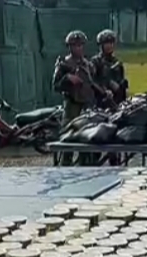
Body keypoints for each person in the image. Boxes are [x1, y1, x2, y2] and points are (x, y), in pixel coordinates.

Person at [52, 30, 98, 165]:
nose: (78, 48)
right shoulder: (64, 64)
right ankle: (66, 167)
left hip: (87, 105)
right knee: (68, 139)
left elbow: (93, 83)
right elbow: (55, 86)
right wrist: (67, 78)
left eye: (80, 45)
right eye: (75, 46)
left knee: (87, 139)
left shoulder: (88, 65)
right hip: (72, 105)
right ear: (69, 47)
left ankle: (85, 165)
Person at [91, 29, 127, 106]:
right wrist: (104, 90)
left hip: (117, 100)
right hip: (101, 100)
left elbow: (121, 80)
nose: (109, 46)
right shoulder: (96, 61)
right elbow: (92, 81)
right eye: (106, 43)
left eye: (111, 43)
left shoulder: (116, 62)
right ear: (101, 45)